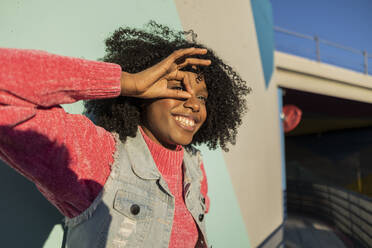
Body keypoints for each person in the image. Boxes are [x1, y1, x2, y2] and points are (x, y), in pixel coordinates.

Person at [0, 21, 248, 248]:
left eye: (202, 97)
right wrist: (127, 83)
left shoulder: (194, 166)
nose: (194, 104)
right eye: (177, 88)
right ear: (144, 96)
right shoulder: (97, 156)